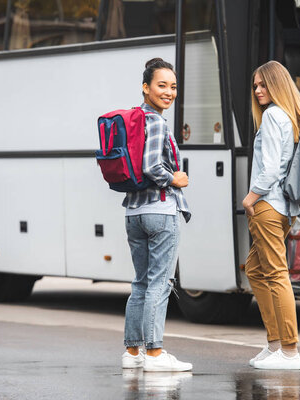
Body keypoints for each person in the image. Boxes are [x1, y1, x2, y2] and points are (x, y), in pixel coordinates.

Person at [242, 60, 300, 370]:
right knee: (255, 269)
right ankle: (275, 344)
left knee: (276, 273)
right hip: (283, 207)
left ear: (278, 85)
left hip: (268, 205)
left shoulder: (273, 116)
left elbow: (272, 167)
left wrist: (250, 198)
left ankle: (289, 351)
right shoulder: (288, 117)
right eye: (256, 86)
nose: (259, 90)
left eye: (264, 85)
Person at [121, 58, 192, 372]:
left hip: (134, 212)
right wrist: (173, 178)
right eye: (162, 85)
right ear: (145, 87)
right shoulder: (157, 122)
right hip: (161, 211)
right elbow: (151, 166)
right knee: (160, 284)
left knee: (140, 283)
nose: (169, 92)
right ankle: (154, 354)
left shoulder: (133, 120)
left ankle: (132, 352)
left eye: (173, 86)